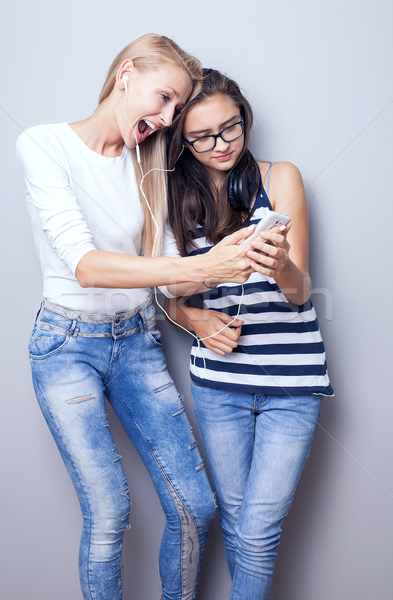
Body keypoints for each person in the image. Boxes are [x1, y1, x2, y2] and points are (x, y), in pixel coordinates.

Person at [16, 37, 259, 600]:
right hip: (66, 345)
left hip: (137, 340)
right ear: (127, 73)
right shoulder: (45, 144)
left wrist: (227, 264)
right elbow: (86, 266)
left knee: (195, 507)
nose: (168, 118)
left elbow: (170, 274)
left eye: (177, 109)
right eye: (164, 97)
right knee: (110, 514)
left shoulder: (150, 166)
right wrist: (207, 266)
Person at [161, 68, 334, 599]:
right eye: (204, 136)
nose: (221, 145)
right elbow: (163, 293)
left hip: (292, 388)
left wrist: (280, 263)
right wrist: (195, 319)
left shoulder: (280, 176)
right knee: (237, 525)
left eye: (231, 129)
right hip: (218, 387)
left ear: (245, 119)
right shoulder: (174, 198)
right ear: (183, 142)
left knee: (257, 533)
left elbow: (302, 292)